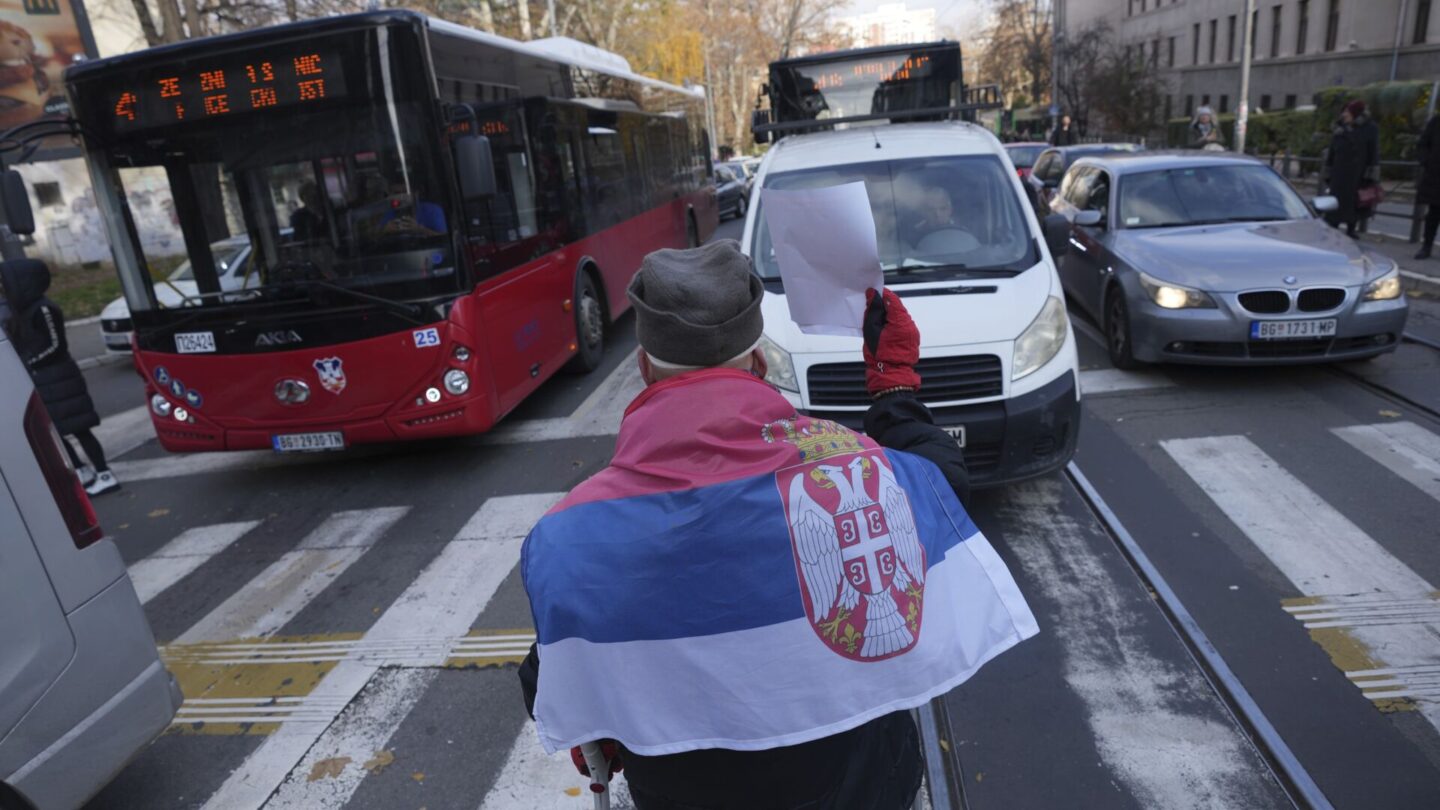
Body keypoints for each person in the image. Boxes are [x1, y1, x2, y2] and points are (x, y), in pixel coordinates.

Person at [518, 240, 1036, 809]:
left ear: (645, 369)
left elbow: (552, 684)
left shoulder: (571, 537)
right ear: (760, 363)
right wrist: (894, 389)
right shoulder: (856, 475)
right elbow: (940, 481)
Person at [0, 259, 118, 496]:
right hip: (41, 381)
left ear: (22, 282)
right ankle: (81, 470)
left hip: (61, 378)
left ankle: (105, 473)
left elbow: (56, 344)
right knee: (56, 431)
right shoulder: (19, 311)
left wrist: (32, 362)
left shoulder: (44, 308)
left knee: (80, 428)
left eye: (6, 281)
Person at [1324, 99, 1380, 238]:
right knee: (1336, 198)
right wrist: (1328, 168)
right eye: (1344, 111)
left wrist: (1371, 172)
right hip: (1339, 169)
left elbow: (1373, 151)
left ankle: (1351, 228)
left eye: (1347, 112)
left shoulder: (1369, 128)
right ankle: (1333, 224)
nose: (1344, 114)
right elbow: (1332, 149)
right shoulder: (1340, 127)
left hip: (1358, 171)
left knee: (1354, 200)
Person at [1415, 113, 1440, 259]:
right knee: (1434, 214)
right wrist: (1426, 161)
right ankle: (1427, 246)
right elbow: (1423, 143)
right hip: (1436, 175)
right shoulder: (1436, 121)